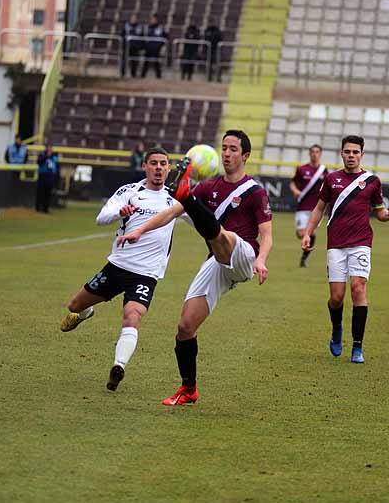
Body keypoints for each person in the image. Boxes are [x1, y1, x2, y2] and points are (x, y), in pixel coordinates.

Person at [115, 130, 273, 406]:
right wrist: (139, 230)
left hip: (244, 255)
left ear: (245, 156)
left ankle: (188, 199)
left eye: (233, 149)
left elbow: (267, 235)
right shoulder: (208, 186)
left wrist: (261, 260)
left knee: (225, 236)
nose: (226, 153)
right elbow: (169, 214)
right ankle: (189, 389)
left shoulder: (255, 192)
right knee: (185, 326)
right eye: (224, 148)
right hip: (218, 261)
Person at [59, 147, 180, 392]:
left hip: (146, 273)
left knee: (132, 316)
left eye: (163, 164)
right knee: (75, 306)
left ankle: (119, 366)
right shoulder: (129, 192)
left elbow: (204, 220)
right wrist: (119, 212)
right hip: (117, 266)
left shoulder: (175, 199)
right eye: (154, 163)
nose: (158, 168)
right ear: (144, 166)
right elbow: (101, 218)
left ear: (169, 169)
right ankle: (86, 314)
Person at [300, 135, 389, 364]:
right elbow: (318, 209)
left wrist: (388, 215)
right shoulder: (331, 178)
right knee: (336, 298)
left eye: (356, 152)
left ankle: (357, 346)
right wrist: (307, 232)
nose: (351, 156)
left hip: (361, 242)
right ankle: (337, 328)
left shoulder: (372, 181)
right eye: (348, 152)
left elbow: (379, 211)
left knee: (358, 288)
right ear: (342, 153)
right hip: (336, 244)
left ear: (362, 154)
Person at [289, 143, 327, 268]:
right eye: (313, 152)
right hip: (302, 207)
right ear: (310, 153)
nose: (315, 154)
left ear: (320, 154)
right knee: (301, 234)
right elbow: (292, 183)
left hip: (316, 208)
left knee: (312, 233)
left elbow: (328, 186)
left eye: (317, 152)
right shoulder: (301, 169)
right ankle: (304, 242)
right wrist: (295, 190)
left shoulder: (324, 171)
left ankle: (304, 259)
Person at [141, 14, 166, 79]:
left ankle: (158, 77)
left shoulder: (160, 28)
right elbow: (142, 36)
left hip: (156, 48)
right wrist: (144, 46)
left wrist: (160, 45)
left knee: (156, 63)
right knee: (146, 62)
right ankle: (142, 76)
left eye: (154, 19)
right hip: (148, 48)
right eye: (152, 19)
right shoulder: (146, 27)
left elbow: (165, 37)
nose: (153, 20)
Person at [36, 145, 60, 213]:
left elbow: (57, 167)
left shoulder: (54, 157)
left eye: (51, 148)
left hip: (51, 176)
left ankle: (45, 208)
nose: (50, 149)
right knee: (41, 192)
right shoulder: (42, 155)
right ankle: (38, 207)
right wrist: (46, 156)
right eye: (48, 148)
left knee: (48, 193)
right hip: (43, 175)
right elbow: (39, 162)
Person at [121, 13, 144, 78]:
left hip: (135, 47)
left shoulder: (139, 27)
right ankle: (122, 74)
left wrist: (141, 47)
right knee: (124, 61)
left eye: (135, 18)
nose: (134, 20)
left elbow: (142, 37)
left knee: (134, 62)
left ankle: (133, 75)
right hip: (127, 47)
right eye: (133, 18)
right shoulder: (126, 26)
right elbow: (122, 35)